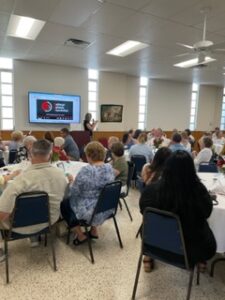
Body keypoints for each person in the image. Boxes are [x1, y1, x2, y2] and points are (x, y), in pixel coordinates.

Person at [139, 150, 216, 272]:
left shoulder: (151, 190)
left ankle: (148, 258)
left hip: (153, 243)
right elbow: (207, 213)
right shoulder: (198, 191)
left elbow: (143, 211)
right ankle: (201, 262)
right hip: (190, 249)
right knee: (205, 226)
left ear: (166, 168)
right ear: (191, 170)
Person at [0, 139, 68, 253]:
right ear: (50, 154)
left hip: (20, 226)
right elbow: (64, 198)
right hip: (50, 220)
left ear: (30, 153)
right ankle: (35, 237)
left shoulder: (20, 180)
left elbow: (2, 214)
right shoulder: (61, 175)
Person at [61, 141, 114, 245]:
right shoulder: (109, 168)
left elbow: (74, 192)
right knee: (94, 196)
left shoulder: (87, 170)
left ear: (89, 155)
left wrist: (71, 182)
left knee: (64, 204)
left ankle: (80, 236)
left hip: (89, 210)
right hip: (105, 208)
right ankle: (94, 230)